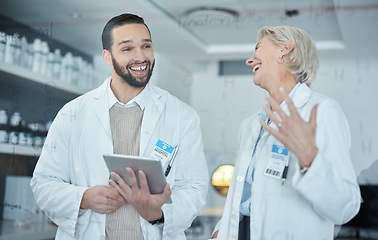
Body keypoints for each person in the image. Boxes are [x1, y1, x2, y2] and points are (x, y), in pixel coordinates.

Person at [31, 13, 209, 240]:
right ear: (107, 56)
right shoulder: (72, 113)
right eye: (127, 49)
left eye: (146, 46)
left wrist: (157, 213)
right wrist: (84, 198)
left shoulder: (182, 116)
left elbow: (194, 189)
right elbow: (43, 183)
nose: (141, 57)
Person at [211, 26, 361, 240]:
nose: (249, 61)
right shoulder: (250, 125)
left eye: (258, 48)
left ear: (284, 49)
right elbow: (244, 197)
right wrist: (222, 228)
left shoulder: (321, 111)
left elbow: (345, 208)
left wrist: (310, 160)